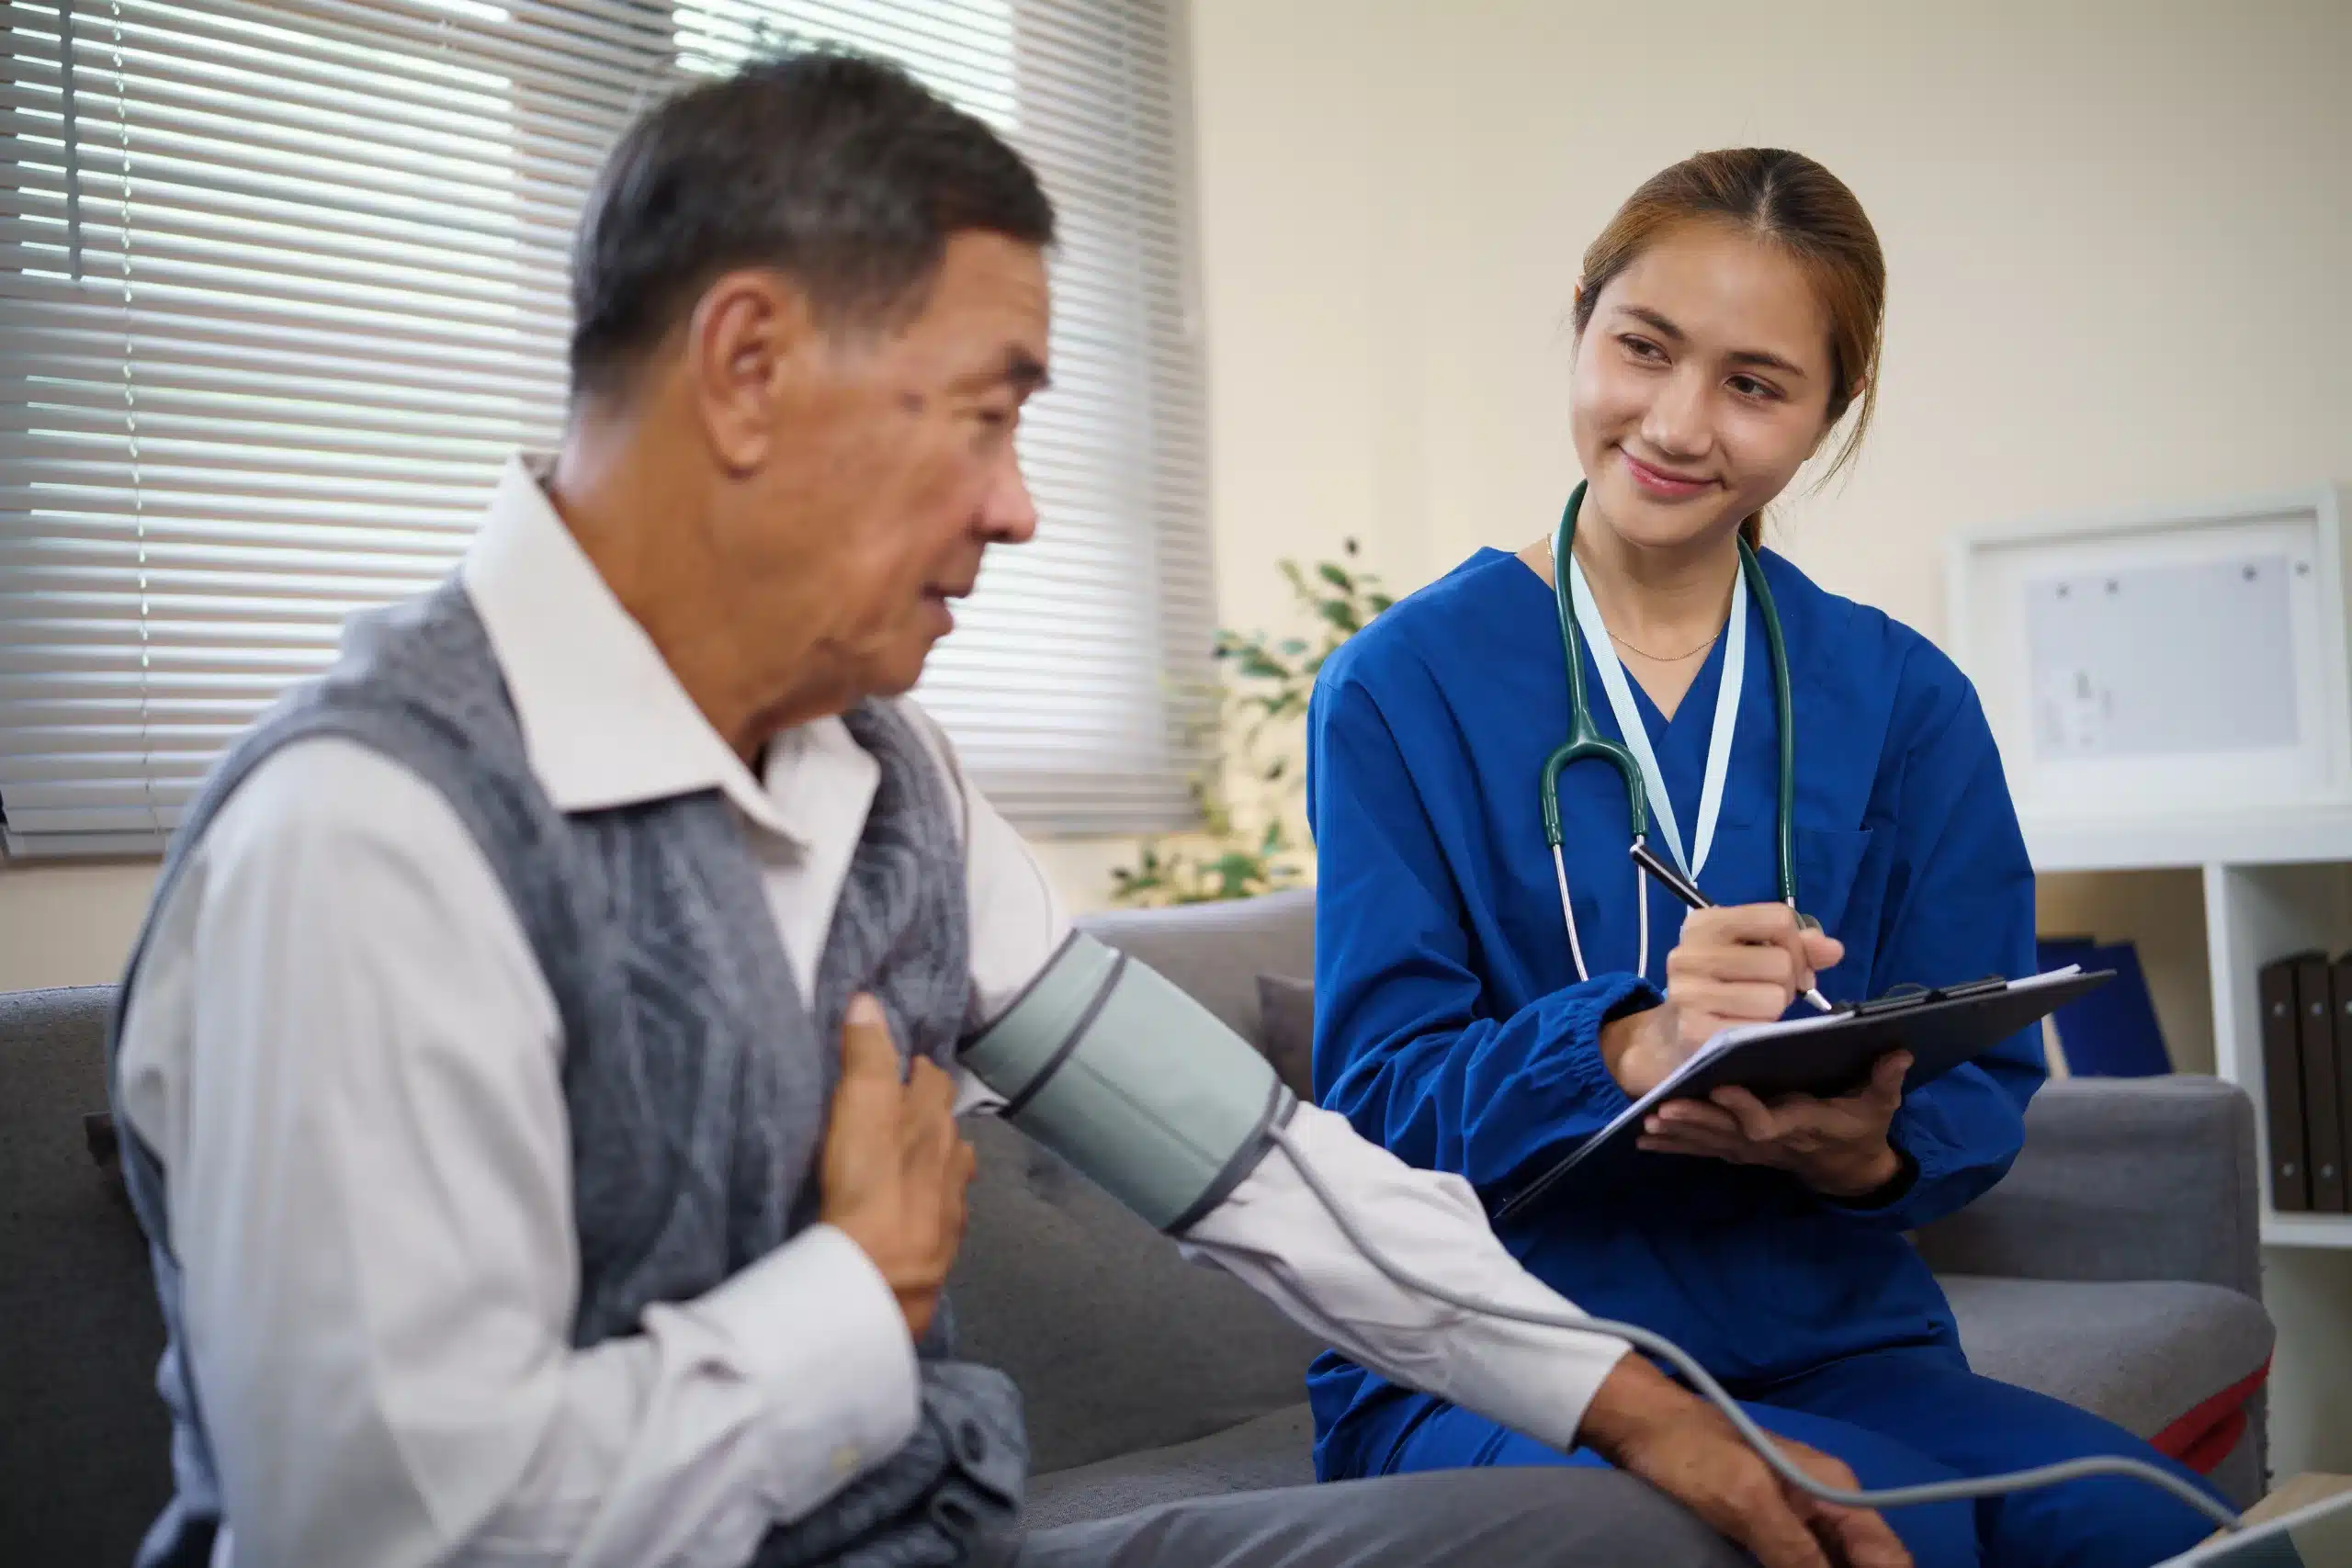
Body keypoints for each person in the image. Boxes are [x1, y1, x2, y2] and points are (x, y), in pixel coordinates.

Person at [103, 56, 1914, 1568]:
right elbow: (375, 1528)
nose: (1022, 509)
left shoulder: (885, 778)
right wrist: (848, 1298)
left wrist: (1655, 1416)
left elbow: (1261, 1170)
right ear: (745, 369)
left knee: (1624, 1536)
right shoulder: (363, 840)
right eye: (985, 414)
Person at [1301, 148, 2231, 1568]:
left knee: (2160, 1527)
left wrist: (1863, 1152)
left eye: (1753, 382)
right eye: (1644, 348)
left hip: (1829, 1334)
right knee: (1861, 1537)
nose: (1677, 422)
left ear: (1827, 411)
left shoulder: (1901, 698)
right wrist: (1628, 1044)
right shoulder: (1399, 687)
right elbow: (1373, 1108)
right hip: (1502, 1349)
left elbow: (1976, 1085)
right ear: (1583, 323)